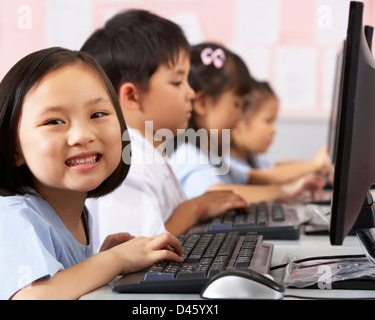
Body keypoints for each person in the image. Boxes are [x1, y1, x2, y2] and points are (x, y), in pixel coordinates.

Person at [0, 47, 183, 300]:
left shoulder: (80, 215)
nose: (83, 135)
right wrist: (115, 260)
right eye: (54, 121)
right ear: (13, 149)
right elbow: (34, 297)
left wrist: (101, 259)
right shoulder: (9, 214)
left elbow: (66, 286)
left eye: (98, 114)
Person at [81, 9, 248, 250]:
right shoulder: (126, 164)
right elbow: (135, 253)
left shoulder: (145, 150)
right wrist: (194, 209)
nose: (190, 93)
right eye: (177, 82)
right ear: (132, 95)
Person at [168, 43, 325, 203]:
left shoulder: (213, 157)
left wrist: (295, 183)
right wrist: (281, 190)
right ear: (202, 105)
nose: (240, 115)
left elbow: (256, 177)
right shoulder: (187, 155)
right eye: (237, 104)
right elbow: (214, 195)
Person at [230, 80, 332, 186]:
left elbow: (276, 168)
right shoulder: (223, 164)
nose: (274, 130)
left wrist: (318, 164)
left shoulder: (251, 160)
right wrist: (315, 164)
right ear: (238, 122)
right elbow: (264, 177)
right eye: (268, 121)